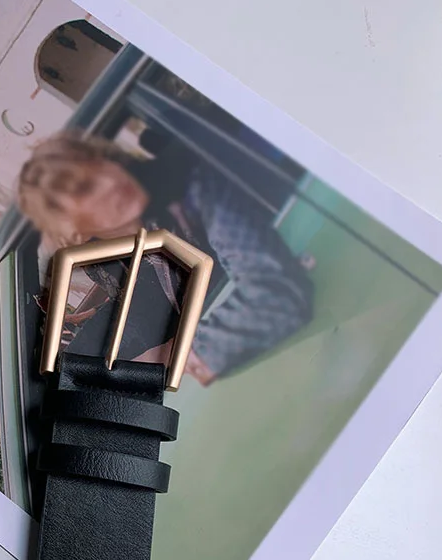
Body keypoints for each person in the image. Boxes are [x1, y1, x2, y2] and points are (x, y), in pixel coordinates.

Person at [16, 132, 314, 386]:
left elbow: (276, 294)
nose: (111, 180)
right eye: (86, 188)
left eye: (102, 163)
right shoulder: (137, 250)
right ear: (74, 232)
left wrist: (173, 355)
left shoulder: (193, 187)